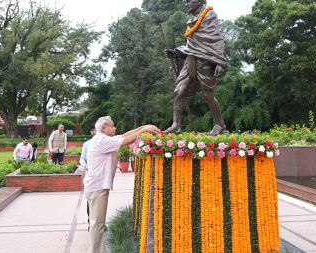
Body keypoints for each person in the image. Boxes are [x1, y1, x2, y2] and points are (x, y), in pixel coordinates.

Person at [84, 116, 159, 253]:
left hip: (96, 187)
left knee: (97, 224)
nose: (115, 128)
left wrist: (143, 127)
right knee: (97, 225)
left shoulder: (104, 138)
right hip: (97, 188)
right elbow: (128, 140)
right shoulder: (102, 140)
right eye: (112, 126)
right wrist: (145, 129)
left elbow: (125, 135)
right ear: (104, 128)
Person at [164, 0, 227, 136]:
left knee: (207, 94)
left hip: (204, 60)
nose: (186, 3)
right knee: (178, 91)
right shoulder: (192, 20)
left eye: (189, 1)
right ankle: (176, 125)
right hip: (190, 59)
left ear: (199, 1)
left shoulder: (209, 15)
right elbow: (192, 45)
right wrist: (177, 52)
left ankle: (220, 124)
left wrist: (221, 62)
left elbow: (217, 39)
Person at [79, 127, 96, 231]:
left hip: (101, 177)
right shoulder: (87, 144)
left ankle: (100, 223)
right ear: (91, 131)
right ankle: (90, 222)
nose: (95, 131)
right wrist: (85, 165)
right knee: (90, 200)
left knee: (101, 202)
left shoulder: (105, 143)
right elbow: (82, 158)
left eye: (96, 130)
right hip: (90, 176)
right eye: (93, 130)